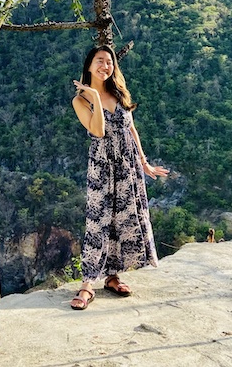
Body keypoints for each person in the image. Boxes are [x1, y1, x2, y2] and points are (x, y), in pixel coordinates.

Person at [70, 44, 169, 310]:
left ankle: (113, 276)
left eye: (110, 62)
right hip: (102, 166)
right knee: (98, 221)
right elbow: (98, 131)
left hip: (127, 165)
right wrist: (94, 95)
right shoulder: (81, 100)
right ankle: (87, 284)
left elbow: (131, 129)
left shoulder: (119, 93)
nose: (106, 66)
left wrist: (144, 163)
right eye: (100, 61)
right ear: (89, 65)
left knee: (121, 218)